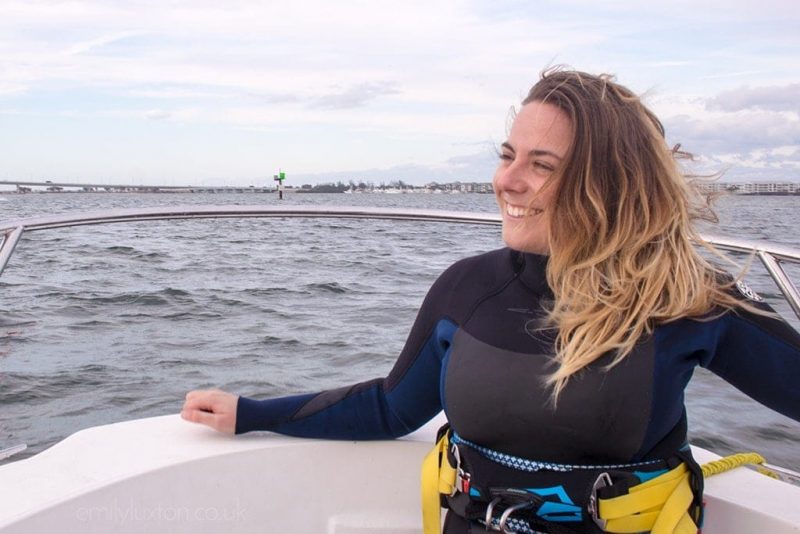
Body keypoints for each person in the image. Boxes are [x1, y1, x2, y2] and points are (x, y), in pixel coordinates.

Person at [181, 68, 800, 533]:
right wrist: (254, 413)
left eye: (542, 164)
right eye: (508, 155)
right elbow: (393, 408)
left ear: (605, 182)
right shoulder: (467, 288)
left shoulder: (685, 297)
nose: (508, 180)